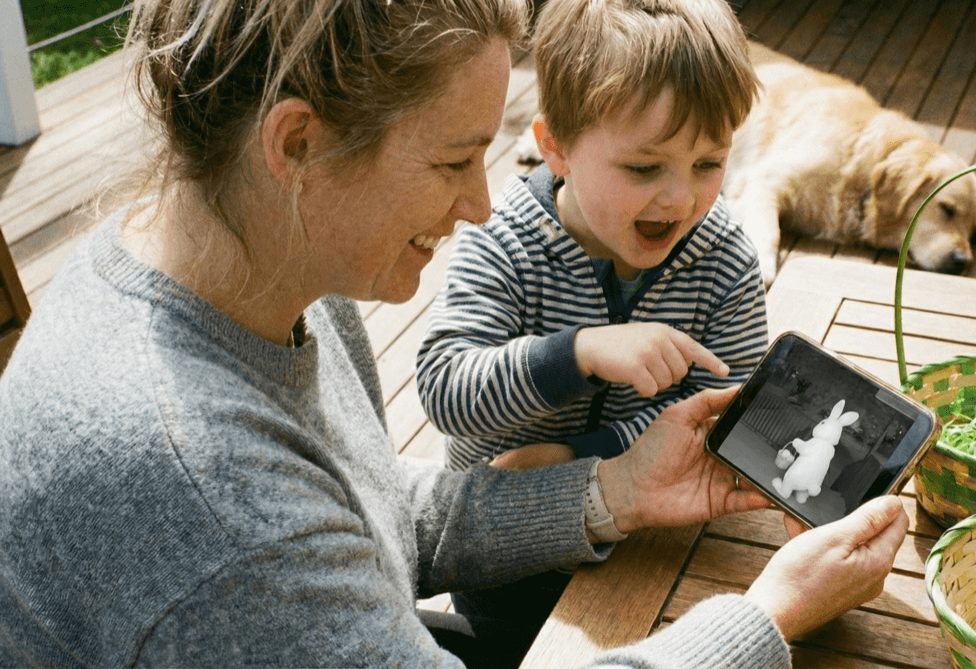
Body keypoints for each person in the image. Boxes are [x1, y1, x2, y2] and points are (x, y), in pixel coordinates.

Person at [0, 0, 908, 667]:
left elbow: (371, 508)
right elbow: (278, 543)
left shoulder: (258, 278)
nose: (481, 204)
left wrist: (614, 490)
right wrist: (766, 617)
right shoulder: (210, 498)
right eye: (450, 159)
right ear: (298, 143)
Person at [414, 0, 768, 651]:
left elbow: (734, 404)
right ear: (557, 148)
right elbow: (446, 389)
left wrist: (580, 455)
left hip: (660, 550)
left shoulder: (725, 259)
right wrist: (575, 352)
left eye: (709, 162)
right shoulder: (503, 244)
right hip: (506, 554)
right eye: (644, 167)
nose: (681, 197)